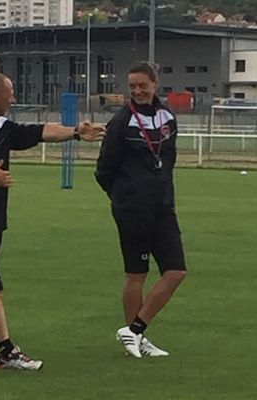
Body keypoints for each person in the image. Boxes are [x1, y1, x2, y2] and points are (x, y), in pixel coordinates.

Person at [0, 73, 106, 370]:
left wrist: (75, 131)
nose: (13, 99)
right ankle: (7, 350)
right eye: (10, 93)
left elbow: (40, 131)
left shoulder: (3, 128)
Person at [95, 61, 187, 358]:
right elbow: (104, 170)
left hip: (163, 204)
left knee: (176, 271)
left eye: (142, 85)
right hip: (132, 207)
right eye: (132, 86)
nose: (136, 91)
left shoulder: (167, 116)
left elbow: (168, 158)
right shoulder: (122, 121)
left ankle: (134, 330)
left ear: (155, 84)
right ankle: (135, 337)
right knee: (137, 273)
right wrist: (124, 196)